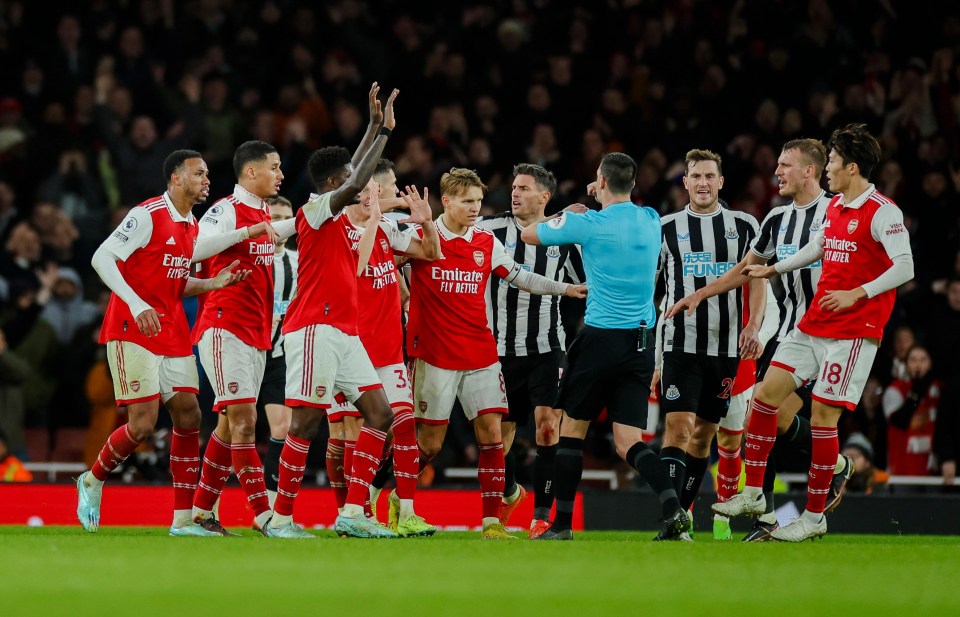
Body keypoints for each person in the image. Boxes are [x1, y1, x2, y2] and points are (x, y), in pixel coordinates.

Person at [715, 124, 915, 541]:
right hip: (813, 325)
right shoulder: (837, 206)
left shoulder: (883, 211)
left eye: (835, 163)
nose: (828, 170)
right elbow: (819, 246)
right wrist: (775, 268)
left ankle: (813, 516)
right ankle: (753, 493)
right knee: (766, 396)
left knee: (823, 418)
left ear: (853, 167)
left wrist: (856, 293)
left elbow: (905, 266)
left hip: (854, 331)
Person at [666, 138, 853, 541]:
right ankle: (777, 505)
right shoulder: (775, 219)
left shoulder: (836, 213)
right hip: (788, 335)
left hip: (833, 336)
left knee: (783, 421)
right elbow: (747, 270)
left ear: (810, 170)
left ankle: (796, 504)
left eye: (785, 165)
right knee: (762, 420)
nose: (776, 172)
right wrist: (702, 293)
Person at [76, 149, 268, 536]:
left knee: (190, 415)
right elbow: (102, 258)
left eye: (207, 174)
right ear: (175, 179)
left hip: (172, 331)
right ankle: (93, 480)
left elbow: (175, 282)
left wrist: (212, 283)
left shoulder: (191, 225)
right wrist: (135, 302)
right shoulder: (147, 215)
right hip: (133, 328)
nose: (206, 180)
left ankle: (183, 520)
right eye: (198, 174)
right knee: (143, 425)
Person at [409, 167, 586, 539]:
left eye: (478, 201)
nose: (476, 208)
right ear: (447, 202)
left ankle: (497, 521)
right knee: (431, 444)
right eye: (468, 201)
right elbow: (384, 255)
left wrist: (565, 289)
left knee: (507, 433)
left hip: (499, 352)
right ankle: (393, 498)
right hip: (448, 353)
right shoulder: (440, 235)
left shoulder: (486, 241)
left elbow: (521, 275)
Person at [521, 152, 686, 541]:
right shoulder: (649, 220)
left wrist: (568, 210)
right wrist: (604, 193)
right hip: (642, 343)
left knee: (571, 430)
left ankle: (561, 526)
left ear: (600, 179)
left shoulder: (587, 222)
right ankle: (673, 509)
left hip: (600, 340)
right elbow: (623, 204)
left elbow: (530, 233)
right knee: (629, 441)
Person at [270, 84, 401, 539]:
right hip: (313, 328)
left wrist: (373, 127)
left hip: (346, 333)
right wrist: (382, 132)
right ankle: (282, 518)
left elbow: (354, 177)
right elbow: (355, 182)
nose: (359, 186)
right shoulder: (316, 210)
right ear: (333, 185)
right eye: (347, 179)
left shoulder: (340, 216)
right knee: (305, 423)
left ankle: (353, 513)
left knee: (381, 414)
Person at [653, 148, 762, 542]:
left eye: (709, 176)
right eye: (695, 176)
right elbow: (657, 295)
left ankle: (683, 513)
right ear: (685, 182)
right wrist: (655, 358)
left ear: (720, 181)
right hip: (680, 343)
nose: (702, 183)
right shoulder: (664, 228)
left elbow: (758, 277)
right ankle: (673, 520)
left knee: (704, 437)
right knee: (677, 430)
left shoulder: (745, 225)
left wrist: (754, 324)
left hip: (727, 351)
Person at [189, 140, 293, 536]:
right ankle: (264, 514)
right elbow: (196, 246)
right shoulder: (226, 210)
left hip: (255, 335)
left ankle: (200, 513)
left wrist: (310, 218)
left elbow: (272, 231)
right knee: (245, 421)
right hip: (223, 327)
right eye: (274, 166)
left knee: (231, 428)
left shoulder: (262, 212)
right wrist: (248, 230)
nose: (280, 174)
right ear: (251, 172)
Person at [476, 163, 585, 538]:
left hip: (546, 348)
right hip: (499, 350)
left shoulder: (563, 241)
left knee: (547, 427)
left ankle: (541, 516)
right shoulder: (491, 230)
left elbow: (584, 285)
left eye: (524, 188)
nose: (515, 193)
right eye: (514, 186)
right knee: (497, 436)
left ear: (544, 196)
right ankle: (510, 492)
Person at [336, 178, 440, 537]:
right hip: (351, 351)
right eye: (364, 192)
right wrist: (380, 216)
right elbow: (357, 269)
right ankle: (357, 512)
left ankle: (407, 513)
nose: (370, 198)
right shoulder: (338, 230)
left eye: (374, 192)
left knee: (405, 426)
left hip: (388, 351)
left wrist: (426, 221)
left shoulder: (385, 229)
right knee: (353, 431)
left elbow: (431, 253)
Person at [259, 196, 298, 508]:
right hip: (245, 353)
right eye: (275, 217)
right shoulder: (248, 257)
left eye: (287, 218)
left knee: (283, 428)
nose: (281, 224)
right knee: (232, 430)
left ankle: (272, 510)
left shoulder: (301, 261)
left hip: (280, 355)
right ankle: (207, 507)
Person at [882, 345, 942, 476]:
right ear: (906, 363)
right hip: (902, 469)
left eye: (923, 360)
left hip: (933, 469)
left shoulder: (939, 389)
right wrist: (916, 393)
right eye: (913, 360)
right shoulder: (895, 389)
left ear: (930, 363)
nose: (918, 365)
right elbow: (899, 421)